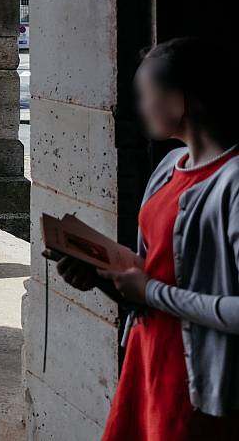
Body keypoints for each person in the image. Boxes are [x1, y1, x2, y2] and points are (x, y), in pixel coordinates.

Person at [55, 37, 239, 439]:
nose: (140, 107)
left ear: (177, 100)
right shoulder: (171, 166)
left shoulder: (233, 182)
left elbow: (158, 288)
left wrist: (150, 292)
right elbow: (152, 271)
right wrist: (103, 278)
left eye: (145, 95)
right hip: (149, 357)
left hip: (197, 384)